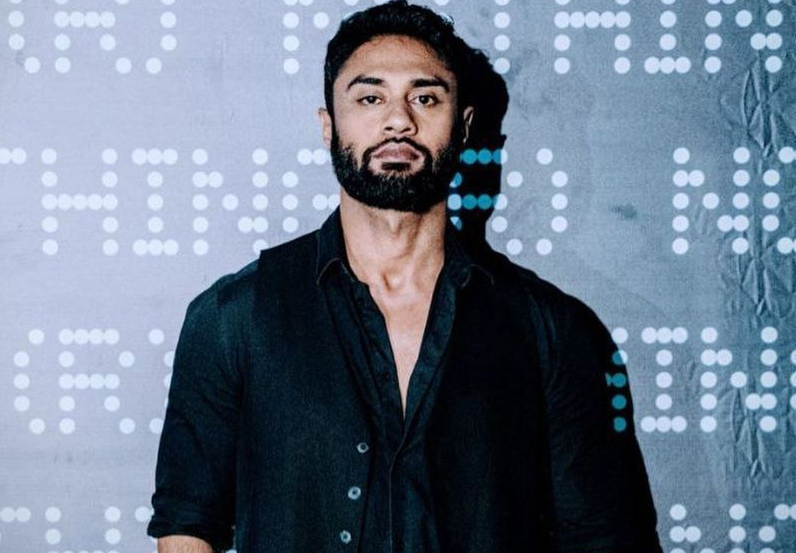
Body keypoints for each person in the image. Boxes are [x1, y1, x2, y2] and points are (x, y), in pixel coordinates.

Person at [147, 2, 663, 552]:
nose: (399, 120)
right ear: (328, 126)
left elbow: (602, 537)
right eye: (370, 98)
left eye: (425, 98)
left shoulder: (551, 330)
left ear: (463, 126)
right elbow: (187, 524)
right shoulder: (233, 318)